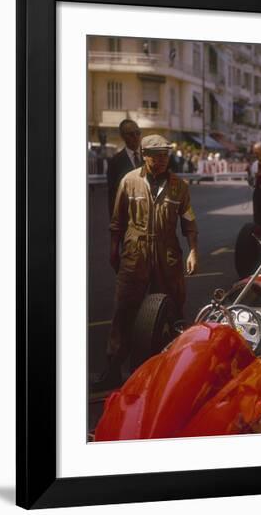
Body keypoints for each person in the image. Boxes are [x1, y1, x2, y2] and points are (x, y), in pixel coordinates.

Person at [92, 134, 199, 392]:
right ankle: (114, 368)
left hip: (167, 252)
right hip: (135, 250)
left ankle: (173, 368)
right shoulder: (129, 182)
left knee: (172, 309)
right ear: (144, 155)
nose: (162, 160)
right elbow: (117, 221)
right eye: (157, 155)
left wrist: (193, 250)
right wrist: (113, 249)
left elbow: (188, 222)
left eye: (166, 154)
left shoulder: (179, 187)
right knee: (125, 309)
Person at [106, 119, 142, 217]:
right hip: (128, 217)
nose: (136, 137)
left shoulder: (149, 157)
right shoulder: (115, 162)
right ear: (122, 136)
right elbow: (113, 195)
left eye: (138, 133)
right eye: (131, 134)